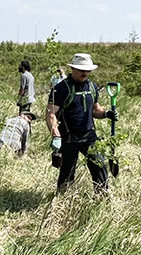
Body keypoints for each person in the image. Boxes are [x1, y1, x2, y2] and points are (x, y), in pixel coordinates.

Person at [45, 53, 117, 195]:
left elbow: (96, 110)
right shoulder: (61, 89)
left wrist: (106, 113)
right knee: (67, 171)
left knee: (99, 164)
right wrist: (56, 135)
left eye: (88, 70)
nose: (85, 73)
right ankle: (63, 200)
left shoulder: (92, 87)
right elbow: (50, 113)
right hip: (68, 137)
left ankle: (102, 198)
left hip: (89, 135)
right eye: (82, 70)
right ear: (73, 69)